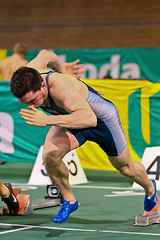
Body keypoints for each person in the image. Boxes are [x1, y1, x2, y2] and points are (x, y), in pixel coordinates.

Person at [10, 49, 157, 223]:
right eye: (25, 102)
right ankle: (70, 200)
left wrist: (48, 119)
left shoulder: (61, 88)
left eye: (33, 101)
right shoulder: (31, 70)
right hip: (70, 117)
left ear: (43, 85)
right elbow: (46, 54)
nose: (30, 106)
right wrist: (62, 69)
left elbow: (89, 119)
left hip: (101, 120)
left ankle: (151, 190)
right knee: (49, 156)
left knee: (125, 168)